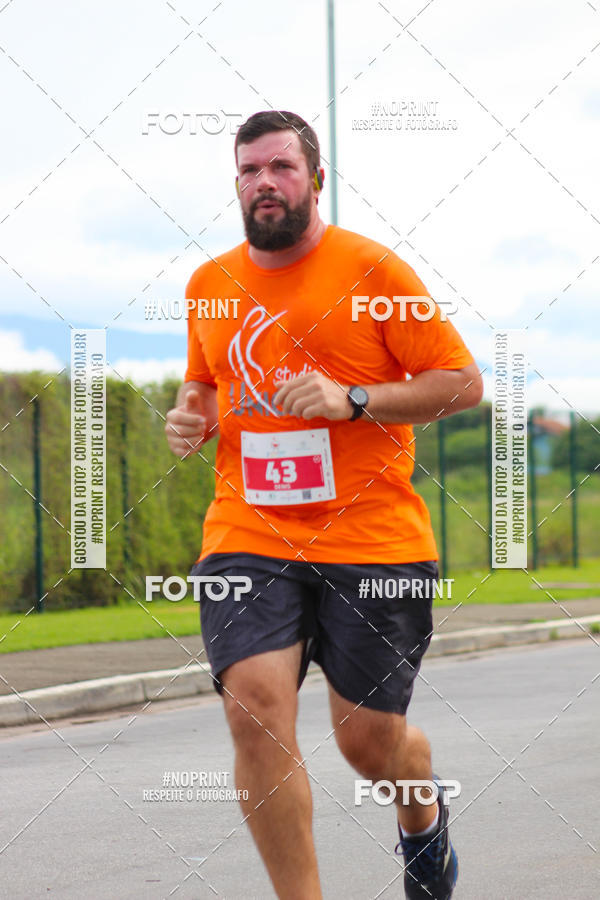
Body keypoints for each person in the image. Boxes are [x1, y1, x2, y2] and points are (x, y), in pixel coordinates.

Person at [165, 109, 482, 899]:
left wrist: (356, 399)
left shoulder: (375, 272)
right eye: (248, 171)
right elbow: (205, 380)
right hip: (250, 530)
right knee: (255, 707)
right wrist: (192, 416)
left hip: (371, 540)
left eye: (280, 167)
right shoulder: (210, 285)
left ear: (316, 178)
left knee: (369, 746)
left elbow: (462, 383)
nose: (263, 183)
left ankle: (422, 814)